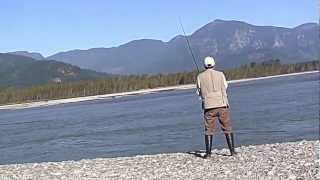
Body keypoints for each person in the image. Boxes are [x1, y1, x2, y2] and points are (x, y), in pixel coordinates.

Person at [196, 56, 237, 158]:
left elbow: (198, 92)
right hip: (222, 104)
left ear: (204, 65)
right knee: (227, 127)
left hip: (209, 107)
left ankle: (208, 154)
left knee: (209, 129)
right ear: (214, 64)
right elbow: (225, 86)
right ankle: (232, 151)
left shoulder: (200, 76)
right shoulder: (221, 74)